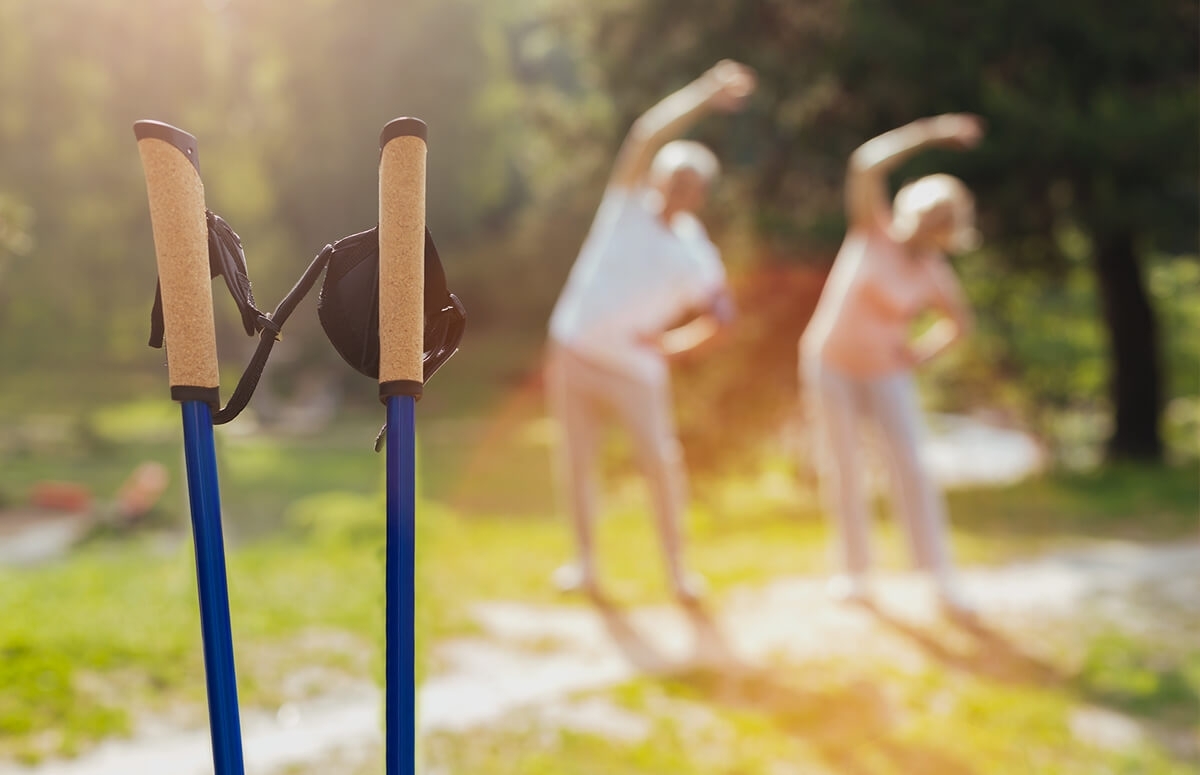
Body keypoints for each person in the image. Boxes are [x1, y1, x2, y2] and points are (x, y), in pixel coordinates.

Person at [546, 60, 757, 603]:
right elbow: (646, 133)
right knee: (576, 464)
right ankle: (585, 566)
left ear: (701, 194)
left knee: (660, 469)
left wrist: (671, 347)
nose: (678, 189)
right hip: (572, 351)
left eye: (690, 184)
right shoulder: (624, 208)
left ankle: (678, 572)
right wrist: (707, 93)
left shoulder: (696, 254)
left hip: (636, 371)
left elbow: (723, 317)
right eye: (672, 178)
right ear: (658, 179)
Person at [800, 113, 984, 615]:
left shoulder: (934, 273)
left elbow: (959, 325)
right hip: (830, 363)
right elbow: (866, 164)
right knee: (844, 468)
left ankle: (938, 576)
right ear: (913, 210)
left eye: (944, 222)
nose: (932, 226)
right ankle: (855, 573)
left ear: (951, 230)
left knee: (910, 468)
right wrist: (933, 133)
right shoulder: (871, 231)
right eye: (929, 214)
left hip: (886, 373)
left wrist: (918, 353)